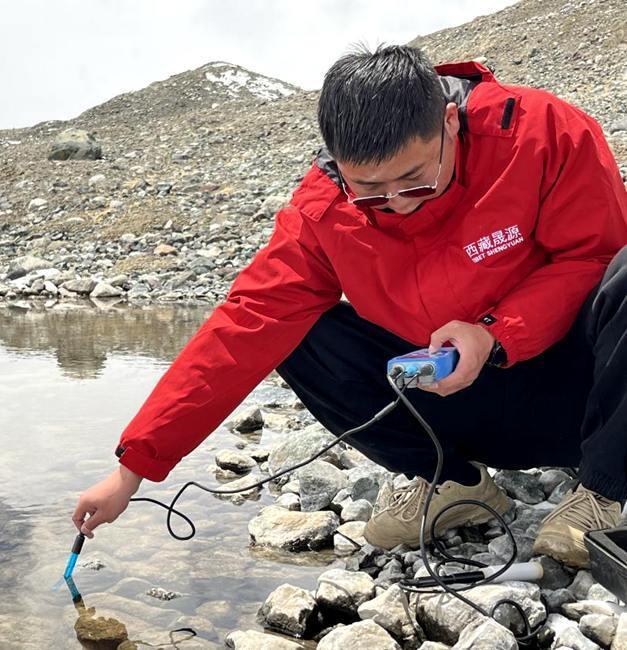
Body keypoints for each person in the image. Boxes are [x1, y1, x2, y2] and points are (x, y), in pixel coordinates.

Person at [72, 44, 627, 569]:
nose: (400, 204)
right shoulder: (323, 209)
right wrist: (131, 470)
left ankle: (604, 491)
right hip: (446, 396)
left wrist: (494, 333)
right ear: (338, 165)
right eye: (370, 189)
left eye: (416, 179)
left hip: (577, 396)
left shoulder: (540, 131)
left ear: (450, 123)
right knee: (291, 328)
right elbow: (246, 323)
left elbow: (593, 256)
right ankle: (451, 482)